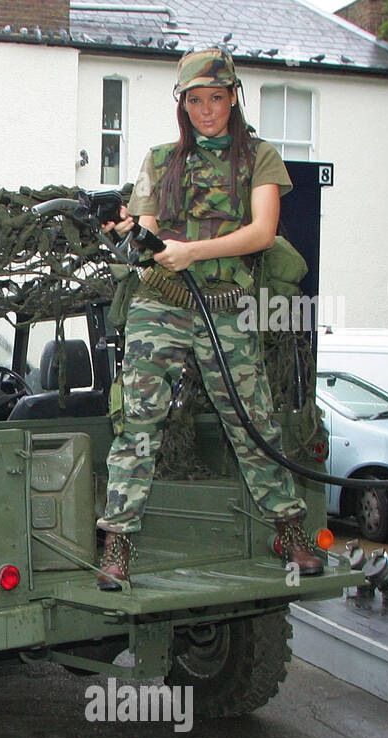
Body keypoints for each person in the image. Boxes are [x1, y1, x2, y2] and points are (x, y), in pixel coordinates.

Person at [95, 47, 323, 590]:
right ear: (184, 105)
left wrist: (192, 250)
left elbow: (263, 232)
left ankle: (289, 530)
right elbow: (148, 229)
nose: (206, 110)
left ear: (233, 97)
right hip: (161, 302)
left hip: (224, 307)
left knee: (254, 423)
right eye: (195, 100)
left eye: (215, 98)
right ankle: (118, 542)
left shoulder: (259, 158)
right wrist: (137, 235)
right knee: (138, 423)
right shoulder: (158, 159)